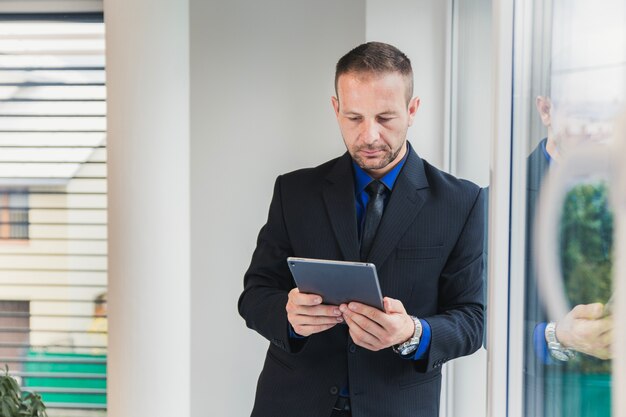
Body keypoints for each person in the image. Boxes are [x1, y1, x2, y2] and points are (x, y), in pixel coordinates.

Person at [238, 42, 485, 417]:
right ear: (336, 109)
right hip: (290, 404)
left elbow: (473, 318)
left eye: (385, 118)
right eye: (354, 118)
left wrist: (412, 333)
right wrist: (287, 317)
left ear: (412, 109)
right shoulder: (294, 191)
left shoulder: (461, 202)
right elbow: (254, 295)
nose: (369, 136)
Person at [523, 95, 614, 416]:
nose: (599, 128)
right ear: (546, 110)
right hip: (551, 399)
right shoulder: (503, 199)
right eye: (584, 112)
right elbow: (482, 320)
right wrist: (558, 336)